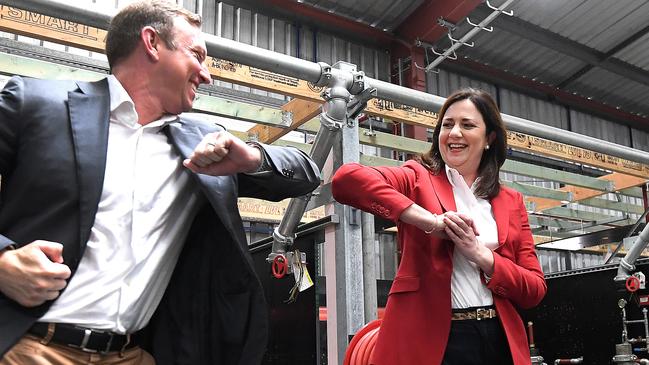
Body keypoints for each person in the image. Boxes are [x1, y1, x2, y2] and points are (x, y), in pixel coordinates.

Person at [0, 1, 320, 364]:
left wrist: (250, 157)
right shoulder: (37, 104)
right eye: (197, 55)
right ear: (151, 43)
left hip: (136, 354)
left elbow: (306, 173)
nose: (207, 74)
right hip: (27, 348)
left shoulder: (202, 143)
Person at [332, 88, 546, 365]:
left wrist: (480, 254)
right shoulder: (417, 177)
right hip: (434, 339)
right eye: (447, 125)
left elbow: (534, 289)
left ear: (489, 138)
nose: (454, 133)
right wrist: (430, 222)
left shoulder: (511, 201)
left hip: (499, 337)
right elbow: (347, 180)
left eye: (467, 125)